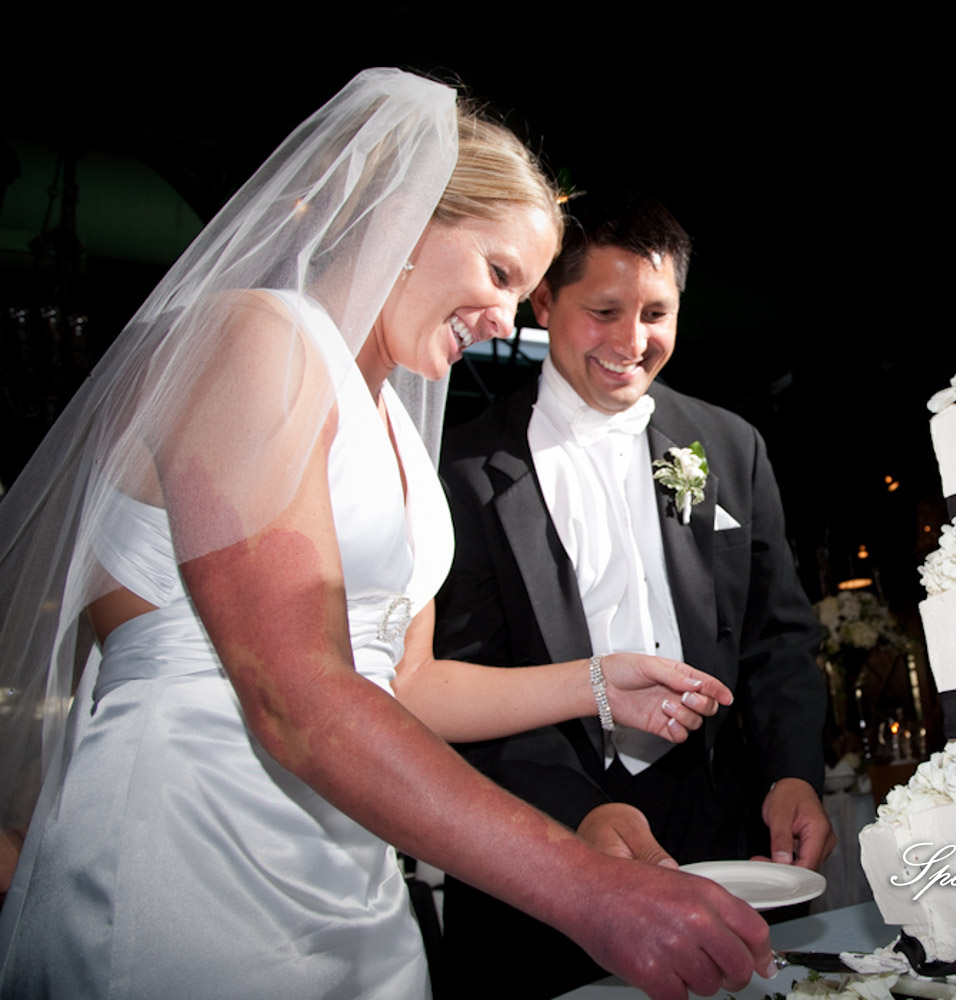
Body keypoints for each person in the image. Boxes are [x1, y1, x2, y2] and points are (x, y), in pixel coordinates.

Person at [0, 70, 773, 1000]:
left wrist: (596, 683)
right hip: (192, 834)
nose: (500, 322)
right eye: (498, 274)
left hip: (349, 856)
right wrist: (585, 889)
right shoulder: (252, 337)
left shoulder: (401, 427)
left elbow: (404, 684)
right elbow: (293, 693)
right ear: (400, 217)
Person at [435, 192, 833, 996]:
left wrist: (795, 772)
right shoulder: (465, 469)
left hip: (718, 826)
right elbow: (457, 675)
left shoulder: (728, 444)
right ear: (545, 300)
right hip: (542, 833)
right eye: (605, 311)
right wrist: (574, 813)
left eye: (656, 313)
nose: (632, 342)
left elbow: (777, 636)